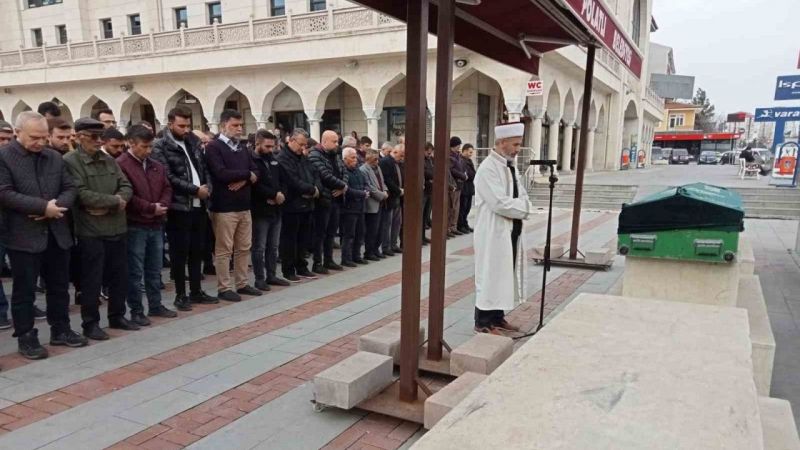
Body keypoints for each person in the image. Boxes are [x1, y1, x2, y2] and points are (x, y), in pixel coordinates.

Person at [0, 112, 87, 359]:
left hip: (56, 232)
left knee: (60, 286)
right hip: (22, 236)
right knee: (24, 290)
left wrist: (55, 207)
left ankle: (61, 329)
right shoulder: (4, 157)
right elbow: (4, 193)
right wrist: (41, 207)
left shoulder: (54, 157)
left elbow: (70, 188)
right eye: (34, 137)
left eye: (43, 137)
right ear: (17, 133)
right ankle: (26, 336)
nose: (40, 142)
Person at [63, 117, 138, 340]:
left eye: (100, 137)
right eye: (94, 137)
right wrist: (114, 202)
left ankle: (117, 315)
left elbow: (126, 185)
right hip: (91, 231)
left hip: (116, 227)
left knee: (119, 276)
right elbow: (81, 194)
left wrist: (117, 201)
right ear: (79, 137)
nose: (99, 142)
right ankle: (90, 323)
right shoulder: (70, 161)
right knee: (92, 281)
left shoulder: (108, 160)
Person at [152, 107, 217, 311]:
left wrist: (207, 188)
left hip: (199, 205)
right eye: (181, 125)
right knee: (180, 253)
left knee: (197, 250)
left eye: (188, 125)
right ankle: (181, 294)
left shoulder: (193, 142)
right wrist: (194, 190)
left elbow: (204, 168)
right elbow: (168, 177)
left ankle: (196, 291)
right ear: (170, 123)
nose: (185, 129)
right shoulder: (161, 146)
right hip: (179, 206)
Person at [473, 123, 531, 335]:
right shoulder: (487, 169)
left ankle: (497, 318)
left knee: (504, 273)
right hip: (493, 232)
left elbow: (522, 195)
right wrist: (524, 208)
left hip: (510, 229)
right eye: (515, 144)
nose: (517, 149)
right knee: (489, 274)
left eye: (519, 144)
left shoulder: (509, 166)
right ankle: (482, 322)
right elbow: (499, 203)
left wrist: (522, 206)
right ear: (501, 143)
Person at [117, 125, 176, 326]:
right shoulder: (121, 165)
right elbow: (128, 195)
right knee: (135, 270)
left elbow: (167, 188)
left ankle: (156, 304)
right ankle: (136, 309)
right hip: (136, 224)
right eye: (144, 146)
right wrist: (150, 207)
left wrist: (162, 206)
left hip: (156, 224)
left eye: (151, 146)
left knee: (154, 268)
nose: (148, 151)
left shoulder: (156, 165)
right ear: (131, 144)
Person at [204, 109, 262, 302]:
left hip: (244, 205)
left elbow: (255, 171)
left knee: (244, 247)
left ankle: (243, 283)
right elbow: (221, 174)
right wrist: (246, 175)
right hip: (224, 207)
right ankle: (224, 287)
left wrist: (244, 178)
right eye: (234, 125)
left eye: (240, 125)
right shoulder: (214, 147)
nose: (239, 129)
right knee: (224, 249)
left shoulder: (242, 147)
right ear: (223, 126)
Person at [276, 128, 319, 282]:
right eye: (300, 144)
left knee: (303, 238)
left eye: (305, 145)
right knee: (289, 239)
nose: (303, 148)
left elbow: (313, 173)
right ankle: (288, 270)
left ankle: (302, 266)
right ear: (291, 140)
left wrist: (314, 188)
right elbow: (291, 180)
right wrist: (310, 189)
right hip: (292, 204)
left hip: (307, 203)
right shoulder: (283, 158)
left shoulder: (303, 157)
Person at [251, 130, 290, 290]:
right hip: (260, 209)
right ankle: (260, 278)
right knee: (259, 246)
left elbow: (284, 180)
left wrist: (281, 194)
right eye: (267, 146)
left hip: (276, 209)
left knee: (273, 246)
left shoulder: (274, 160)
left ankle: (272, 275)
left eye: (272, 146)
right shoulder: (252, 161)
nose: (270, 149)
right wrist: (273, 194)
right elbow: (255, 185)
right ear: (257, 144)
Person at [308, 130, 348, 274]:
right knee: (320, 233)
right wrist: (342, 186)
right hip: (323, 199)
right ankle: (317, 262)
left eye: (338, 141)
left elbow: (344, 171)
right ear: (324, 141)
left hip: (336, 198)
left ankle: (329, 260)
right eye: (334, 141)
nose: (337, 144)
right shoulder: (314, 155)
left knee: (331, 232)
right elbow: (324, 175)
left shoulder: (335, 155)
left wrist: (343, 187)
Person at [340, 147, 370, 267]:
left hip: (360, 206)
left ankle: (356, 256)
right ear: (345, 158)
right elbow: (346, 189)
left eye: (356, 157)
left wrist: (366, 190)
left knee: (360, 232)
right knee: (349, 234)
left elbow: (365, 182)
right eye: (352, 157)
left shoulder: (357, 170)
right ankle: (346, 258)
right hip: (349, 207)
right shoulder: (343, 171)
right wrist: (362, 193)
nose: (355, 160)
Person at [360, 149, 388, 261]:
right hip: (372, 203)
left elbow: (382, 182)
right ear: (368, 159)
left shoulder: (378, 168)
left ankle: (376, 249)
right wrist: (382, 195)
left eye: (377, 159)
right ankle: (369, 252)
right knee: (372, 230)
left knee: (380, 229)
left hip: (382, 202)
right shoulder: (363, 170)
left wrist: (385, 191)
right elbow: (369, 187)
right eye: (375, 159)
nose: (377, 161)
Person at [379, 144, 404, 256]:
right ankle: (386, 246)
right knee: (387, 223)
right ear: (394, 152)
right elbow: (387, 180)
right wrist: (398, 190)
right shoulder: (386, 162)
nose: (402, 158)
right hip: (390, 197)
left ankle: (394, 245)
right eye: (401, 155)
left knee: (397, 223)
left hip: (398, 197)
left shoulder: (397, 163)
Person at [448, 136, 467, 236]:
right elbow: (451, 170)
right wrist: (462, 175)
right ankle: (448, 227)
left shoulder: (457, 156)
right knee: (451, 207)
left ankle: (453, 226)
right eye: (457, 145)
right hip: (453, 184)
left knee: (456, 207)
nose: (459, 147)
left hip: (459, 185)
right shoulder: (450, 156)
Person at [458, 143, 477, 233]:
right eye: (469, 152)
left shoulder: (469, 161)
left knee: (467, 208)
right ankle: (460, 225)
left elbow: (473, 173)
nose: (471, 154)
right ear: (464, 151)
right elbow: (468, 174)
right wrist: (471, 175)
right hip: (464, 188)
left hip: (469, 188)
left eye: (471, 152)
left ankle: (465, 224)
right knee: (463, 207)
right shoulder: (461, 161)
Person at [422, 142, 434, 232]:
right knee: (422, 213)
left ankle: (423, 236)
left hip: (430, 189)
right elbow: (425, 172)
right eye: (428, 153)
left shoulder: (430, 160)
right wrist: (432, 176)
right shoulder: (421, 160)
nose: (430, 155)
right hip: (424, 189)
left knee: (427, 213)